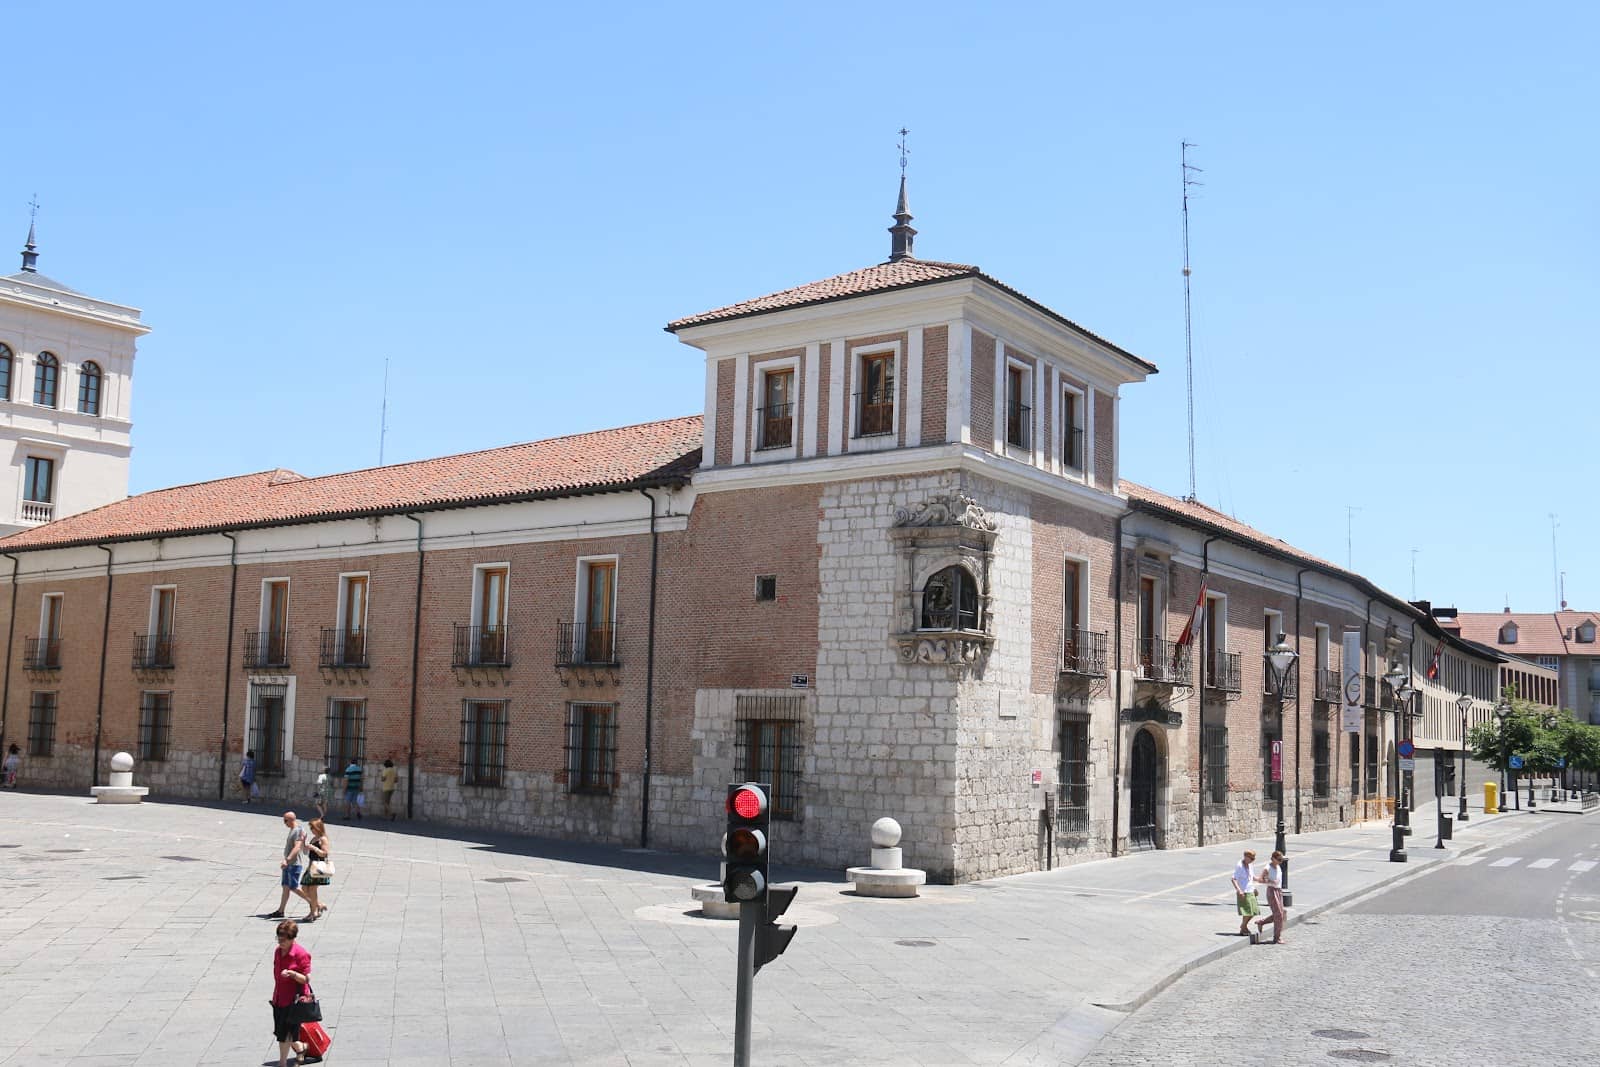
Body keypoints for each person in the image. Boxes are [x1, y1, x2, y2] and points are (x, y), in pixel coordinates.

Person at [269, 919, 320, 1066]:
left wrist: (292, 974)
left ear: (292, 938)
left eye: (283, 940)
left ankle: (282, 1063)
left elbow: (306, 979)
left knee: (285, 1034)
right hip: (279, 997)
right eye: (278, 938)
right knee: (282, 1032)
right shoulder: (278, 951)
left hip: (293, 1001)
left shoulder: (301, 954)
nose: (280, 942)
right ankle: (301, 1047)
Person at [267, 811, 314, 920]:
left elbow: (297, 847)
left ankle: (314, 903)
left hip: (293, 864)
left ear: (292, 819)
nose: (284, 823)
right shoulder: (294, 830)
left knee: (294, 887)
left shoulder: (298, 831)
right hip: (289, 864)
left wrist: (287, 860)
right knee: (285, 887)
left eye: (285, 820)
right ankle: (281, 911)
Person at [1254, 850, 1288, 944]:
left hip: (1278, 891)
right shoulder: (1267, 868)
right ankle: (1277, 937)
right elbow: (1260, 879)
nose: (1281, 862)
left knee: (1281, 913)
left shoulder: (1278, 866)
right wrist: (1270, 882)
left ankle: (1261, 922)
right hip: (1272, 891)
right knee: (1279, 914)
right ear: (1273, 858)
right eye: (1279, 859)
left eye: (1281, 860)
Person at [301, 818, 331, 920]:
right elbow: (306, 852)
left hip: (319, 867)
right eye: (311, 827)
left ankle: (313, 913)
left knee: (312, 890)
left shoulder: (323, 839)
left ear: (318, 827)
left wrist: (314, 848)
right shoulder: (314, 838)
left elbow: (325, 853)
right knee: (304, 889)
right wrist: (304, 842)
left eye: (313, 827)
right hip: (311, 866)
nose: (311, 829)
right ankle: (319, 905)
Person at [1231, 849, 1259, 936]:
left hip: (1250, 890)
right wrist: (1239, 890)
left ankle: (1243, 926)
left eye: (1253, 858)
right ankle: (1243, 928)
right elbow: (1233, 879)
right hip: (1244, 891)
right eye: (1251, 858)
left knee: (1254, 911)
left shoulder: (1250, 865)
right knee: (1247, 911)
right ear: (1246, 857)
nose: (1252, 860)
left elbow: (1251, 877)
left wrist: (1258, 882)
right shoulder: (1239, 865)